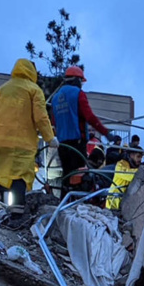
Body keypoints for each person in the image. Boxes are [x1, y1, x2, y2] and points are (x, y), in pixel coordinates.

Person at [0, 59, 57, 228]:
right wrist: (50, 138)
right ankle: (16, 216)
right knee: (19, 178)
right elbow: (41, 117)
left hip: (0, 142)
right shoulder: (33, 90)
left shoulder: (2, 90)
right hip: (22, 144)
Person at [51, 66, 112, 198]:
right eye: (81, 82)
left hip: (62, 144)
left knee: (66, 175)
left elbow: (54, 122)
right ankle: (75, 206)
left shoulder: (55, 98)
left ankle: (63, 203)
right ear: (77, 80)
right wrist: (105, 132)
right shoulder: (78, 94)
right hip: (76, 143)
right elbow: (89, 116)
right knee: (78, 177)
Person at [106, 146, 141, 210]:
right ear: (131, 155)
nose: (140, 160)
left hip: (126, 202)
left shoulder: (135, 167)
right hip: (114, 203)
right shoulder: (120, 165)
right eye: (138, 156)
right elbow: (129, 175)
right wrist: (143, 171)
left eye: (141, 157)